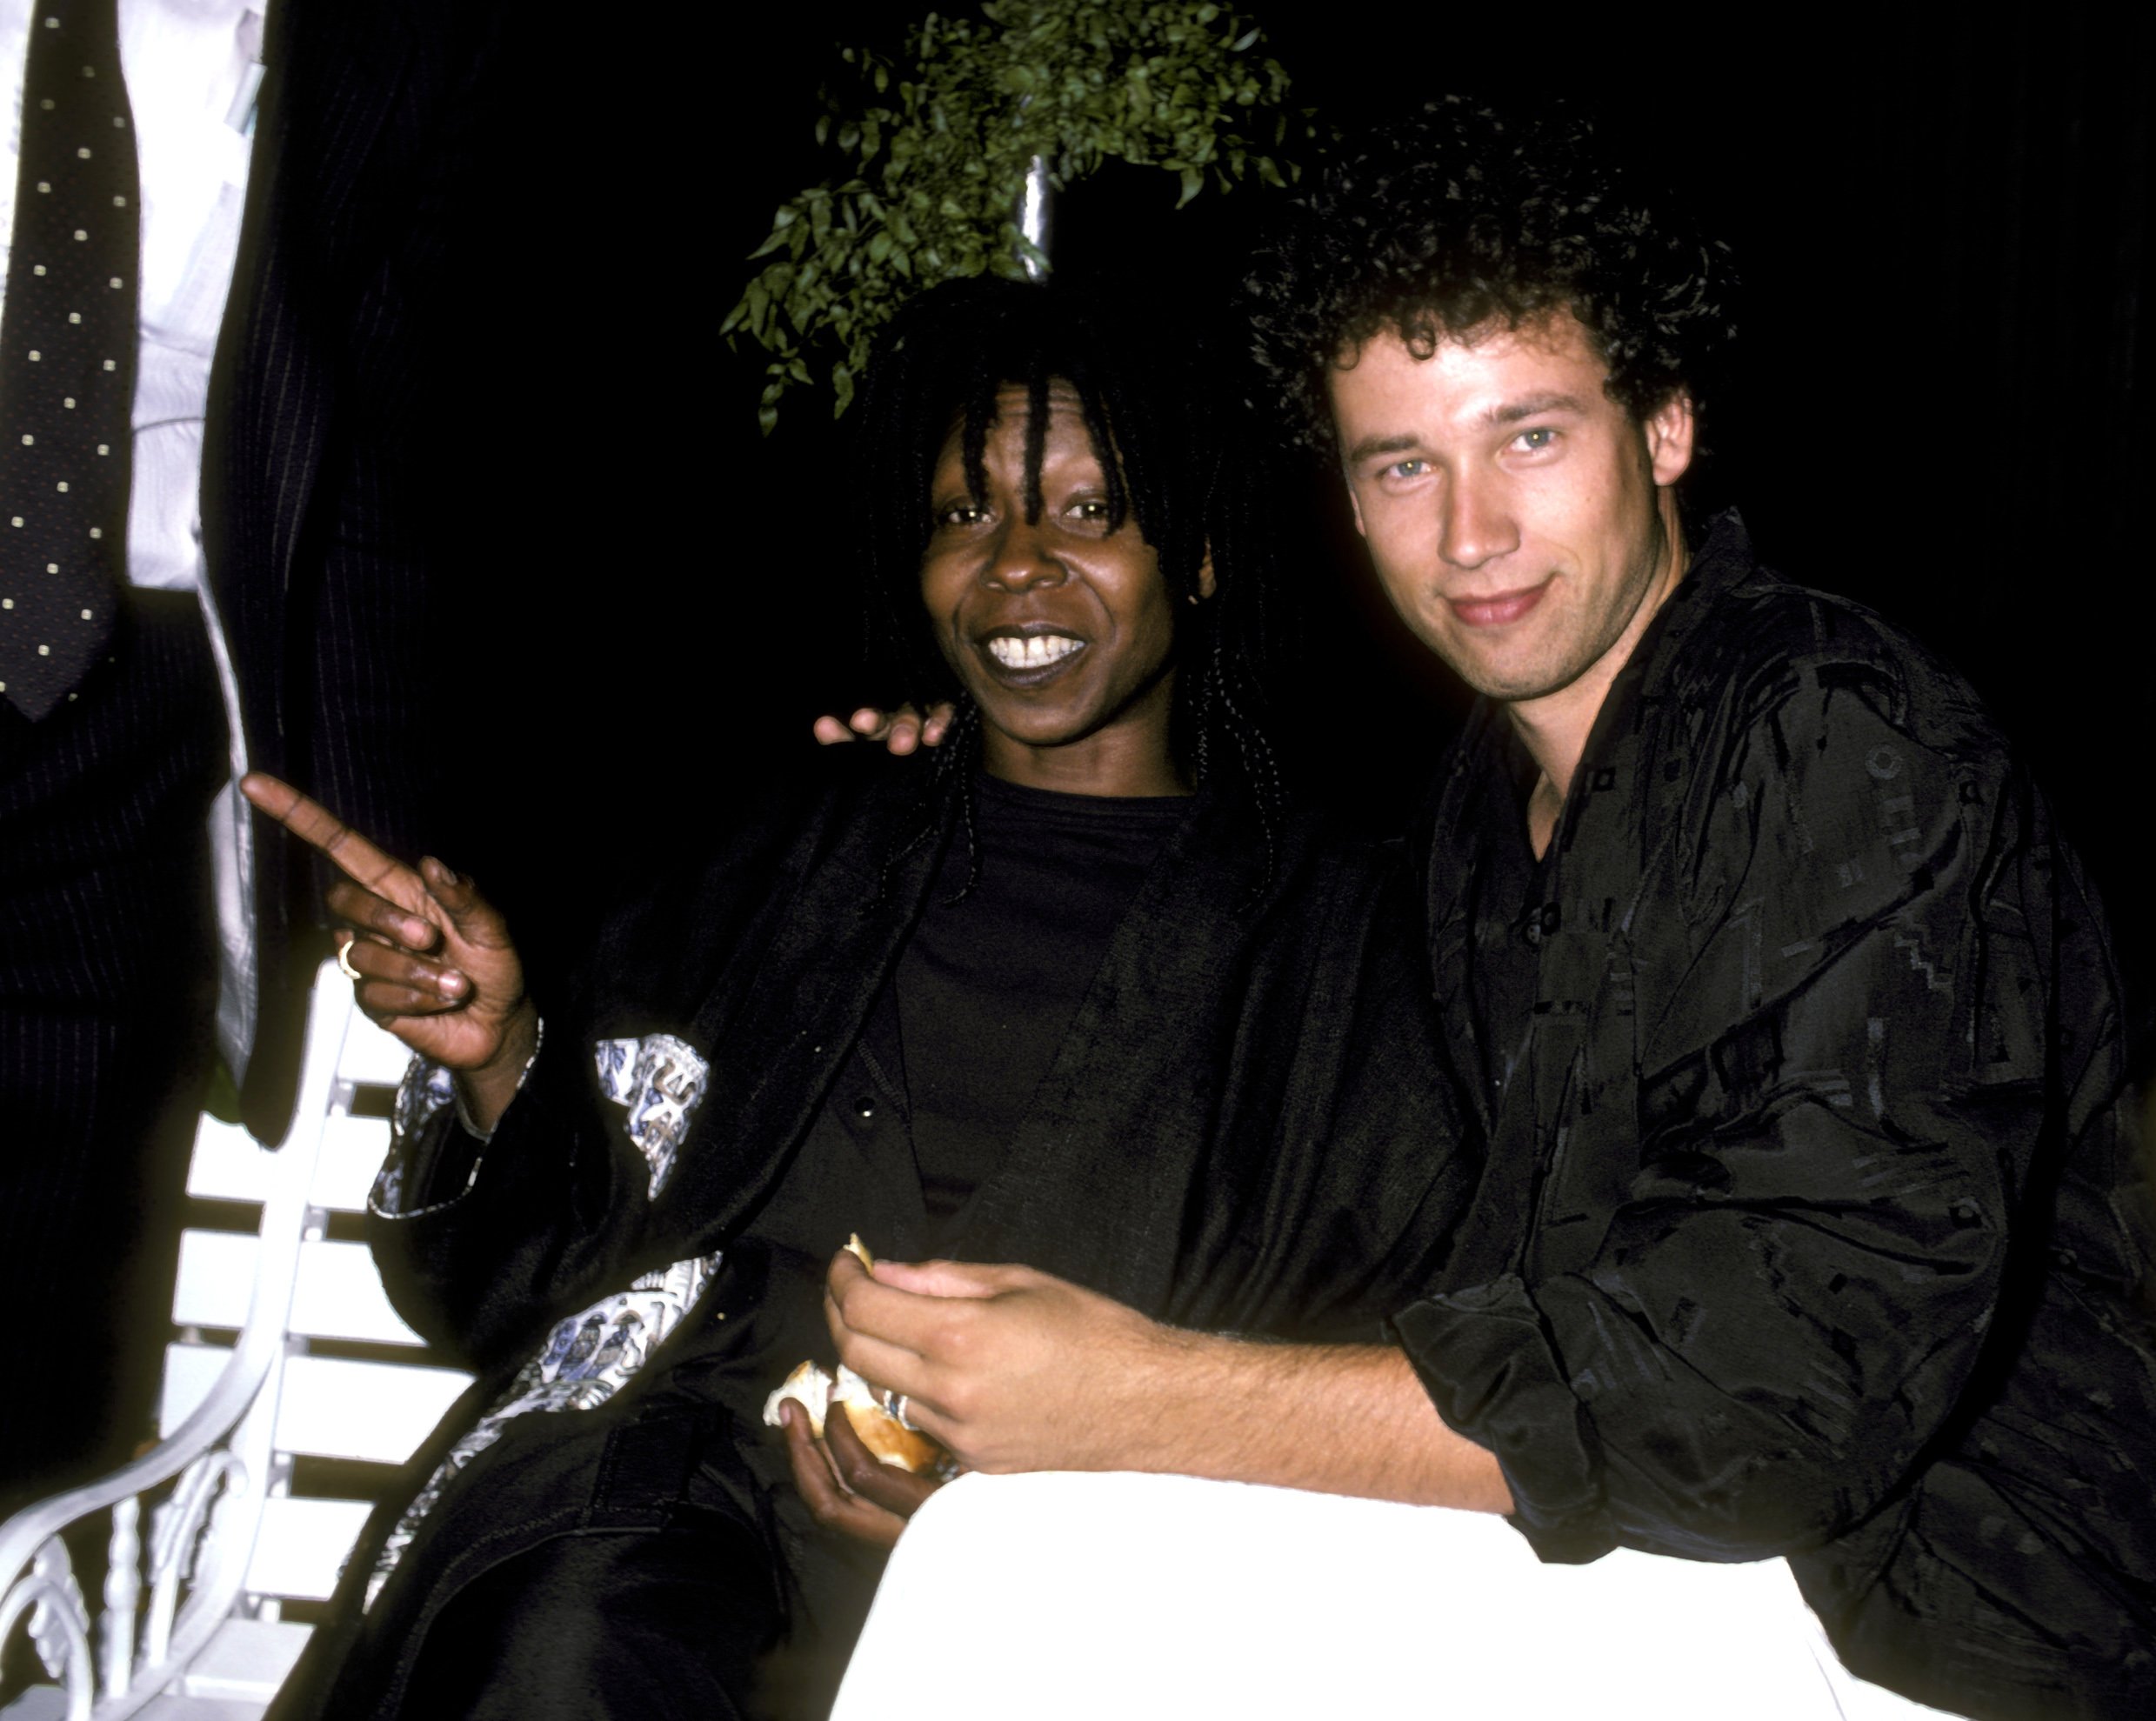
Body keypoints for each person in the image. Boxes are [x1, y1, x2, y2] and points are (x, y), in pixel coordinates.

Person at [818, 102, 2156, 1719]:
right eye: (1403, 465)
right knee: (1019, 1548)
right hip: (1666, 1575)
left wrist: (1146, 1402)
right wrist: (971, 775)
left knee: (1025, 1572)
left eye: (1530, 437)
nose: (1470, 536)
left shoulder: (1838, 742)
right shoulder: (1473, 820)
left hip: (1945, 1620)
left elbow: (1777, 1401)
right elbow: (1384, 1228)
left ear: (1662, 427)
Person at [248, 277, 1477, 1719]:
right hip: (661, 1520)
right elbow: (517, 1291)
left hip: (1095, 1571)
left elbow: (1379, 1366)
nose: (1018, 568)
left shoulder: (1340, 945)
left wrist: (1029, 1498)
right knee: (570, 1646)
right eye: (968, 517)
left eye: (1090, 514)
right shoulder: (787, 851)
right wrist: (504, 1054)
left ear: (1198, 557)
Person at [0, 0, 495, 1504]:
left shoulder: (389, 45)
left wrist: (390, 852)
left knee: (32, 1346)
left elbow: (365, 484)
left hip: (100, 714)